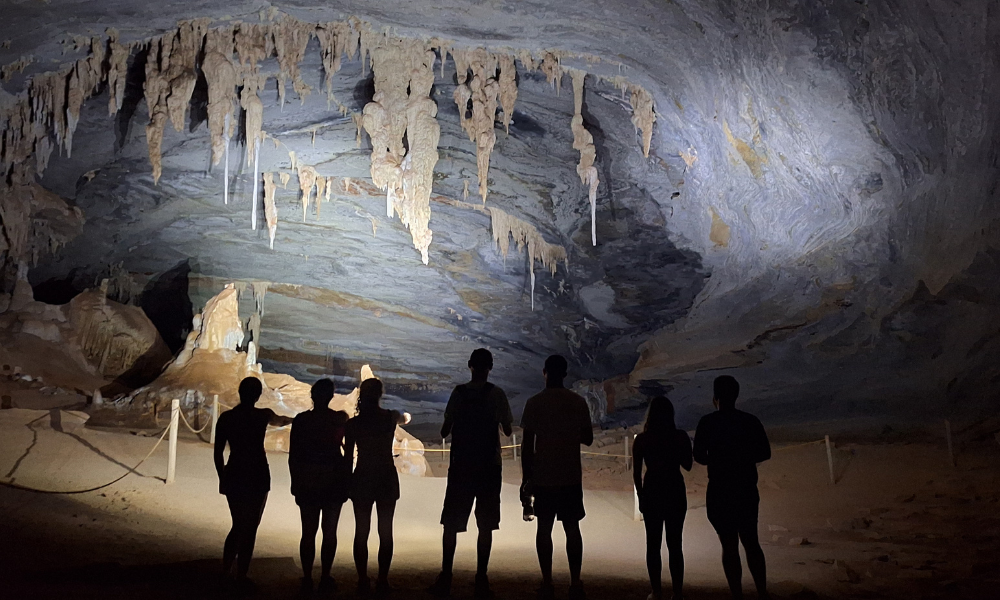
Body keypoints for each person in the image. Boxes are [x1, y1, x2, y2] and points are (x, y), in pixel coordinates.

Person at [430, 349, 513, 599]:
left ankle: (446, 575)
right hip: (488, 467)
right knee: (486, 524)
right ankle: (481, 577)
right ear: (490, 367)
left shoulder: (458, 394)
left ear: (470, 366)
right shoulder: (497, 394)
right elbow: (508, 430)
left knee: (451, 522)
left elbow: (445, 431)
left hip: (462, 466)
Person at [520, 355, 594, 600]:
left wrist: (526, 478)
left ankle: (547, 581)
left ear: (544, 373)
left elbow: (527, 445)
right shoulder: (577, 402)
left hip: (544, 475)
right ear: (565, 373)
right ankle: (575, 582)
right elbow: (588, 438)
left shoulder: (534, 403)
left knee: (544, 528)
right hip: (570, 474)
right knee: (572, 528)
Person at [693, 376, 771, 600]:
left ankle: (737, 594)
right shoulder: (750, 421)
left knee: (729, 546)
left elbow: (699, 455)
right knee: (751, 542)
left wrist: (718, 459)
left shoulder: (707, 423)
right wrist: (743, 458)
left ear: (715, 398)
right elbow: (765, 452)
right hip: (745, 489)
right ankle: (762, 592)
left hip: (719, 490)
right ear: (736, 396)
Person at [214, 377, 293, 593]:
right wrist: (300, 418)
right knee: (250, 527)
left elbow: (218, 452)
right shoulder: (263, 415)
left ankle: (226, 571)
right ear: (258, 395)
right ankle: (241, 575)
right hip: (257, 473)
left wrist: (223, 477)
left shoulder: (227, 417)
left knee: (238, 524)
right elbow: (282, 420)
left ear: (240, 393)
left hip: (235, 471)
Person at [344, 378, 410, 597]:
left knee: (361, 531)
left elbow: (347, 459)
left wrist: (346, 483)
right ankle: (382, 579)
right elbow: (404, 417)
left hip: (362, 477)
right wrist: (406, 416)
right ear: (380, 394)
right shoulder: (390, 417)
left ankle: (362, 580)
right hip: (385, 478)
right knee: (385, 531)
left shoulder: (354, 424)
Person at [289, 378, 350, 595]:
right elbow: (345, 452)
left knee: (308, 531)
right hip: (332, 481)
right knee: (329, 531)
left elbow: (293, 455)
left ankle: (307, 577)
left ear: (313, 396)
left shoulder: (302, 420)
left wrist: (295, 481)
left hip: (308, 481)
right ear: (331, 396)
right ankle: (325, 576)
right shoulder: (338, 420)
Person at [633, 396, 693, 600]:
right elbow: (688, 465)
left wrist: (641, 496)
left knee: (653, 544)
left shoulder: (642, 439)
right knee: (675, 544)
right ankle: (677, 593)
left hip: (652, 489)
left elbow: (636, 473)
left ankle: (656, 591)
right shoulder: (679, 437)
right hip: (674, 489)